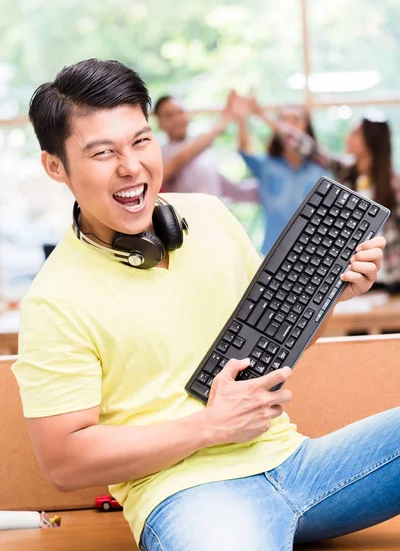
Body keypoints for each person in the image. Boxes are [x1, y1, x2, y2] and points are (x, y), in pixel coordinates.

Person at [11, 59, 398, 551]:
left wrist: (326, 297)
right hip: (187, 494)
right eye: (103, 152)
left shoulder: (210, 215)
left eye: (140, 141)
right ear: (55, 166)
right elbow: (63, 462)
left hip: (295, 462)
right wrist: (209, 427)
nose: (131, 166)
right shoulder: (54, 300)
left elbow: (268, 351)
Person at [256, 104, 400, 291]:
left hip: (389, 279)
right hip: (352, 276)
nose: (347, 137)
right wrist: (266, 118)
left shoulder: (393, 185)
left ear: (370, 141)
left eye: (355, 134)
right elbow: (306, 147)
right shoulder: (345, 173)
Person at [236, 97, 327, 254]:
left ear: (307, 125)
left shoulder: (320, 167)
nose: (288, 126)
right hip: (272, 252)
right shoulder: (267, 165)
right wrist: (242, 116)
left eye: (295, 120)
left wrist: (262, 115)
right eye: (283, 120)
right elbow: (244, 150)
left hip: (312, 253)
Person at [154, 93, 259, 202]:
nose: (177, 119)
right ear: (159, 123)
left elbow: (235, 190)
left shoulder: (203, 153)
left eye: (180, 112)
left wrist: (241, 117)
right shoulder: (160, 154)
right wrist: (225, 119)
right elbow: (179, 160)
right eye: (169, 115)